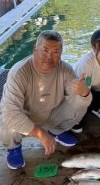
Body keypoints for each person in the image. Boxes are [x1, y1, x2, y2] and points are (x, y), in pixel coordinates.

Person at [0, 30, 92, 170]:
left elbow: (77, 96)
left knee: (80, 99)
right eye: (45, 50)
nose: (49, 56)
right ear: (35, 49)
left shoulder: (65, 69)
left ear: (60, 55)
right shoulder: (19, 72)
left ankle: (55, 131)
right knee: (6, 121)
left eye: (56, 52)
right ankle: (14, 147)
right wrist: (40, 134)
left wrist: (84, 92)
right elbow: (10, 113)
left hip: (51, 114)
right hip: (25, 117)